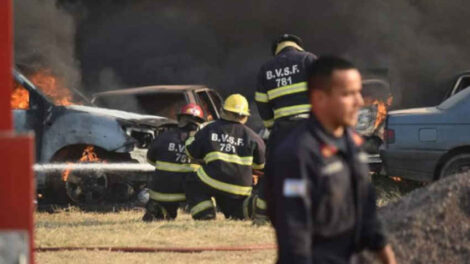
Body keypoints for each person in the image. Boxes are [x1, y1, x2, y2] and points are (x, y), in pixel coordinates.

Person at [269, 56, 396, 263]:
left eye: (359, 93)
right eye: (348, 94)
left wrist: (388, 259)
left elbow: (367, 214)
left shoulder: (350, 144)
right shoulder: (297, 154)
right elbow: (294, 232)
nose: (359, 102)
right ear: (320, 98)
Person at [253, 33, 317, 223]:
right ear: (297, 45)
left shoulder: (266, 68)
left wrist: (271, 126)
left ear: (277, 49)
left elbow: (261, 102)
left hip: (282, 129)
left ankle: (261, 216)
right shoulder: (309, 60)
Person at [185, 94, 265, 220]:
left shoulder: (210, 129)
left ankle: (205, 215)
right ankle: (248, 207)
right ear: (245, 116)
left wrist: (191, 138)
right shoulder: (253, 137)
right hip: (241, 187)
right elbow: (260, 164)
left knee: (192, 182)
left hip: (212, 180)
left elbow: (191, 151)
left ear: (224, 110)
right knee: (234, 208)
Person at [142, 103, 205, 221]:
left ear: (180, 119)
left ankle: (158, 209)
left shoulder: (164, 136)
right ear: (199, 123)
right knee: (206, 197)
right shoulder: (202, 140)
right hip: (190, 191)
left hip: (162, 190)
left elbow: (150, 159)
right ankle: (205, 215)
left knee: (164, 210)